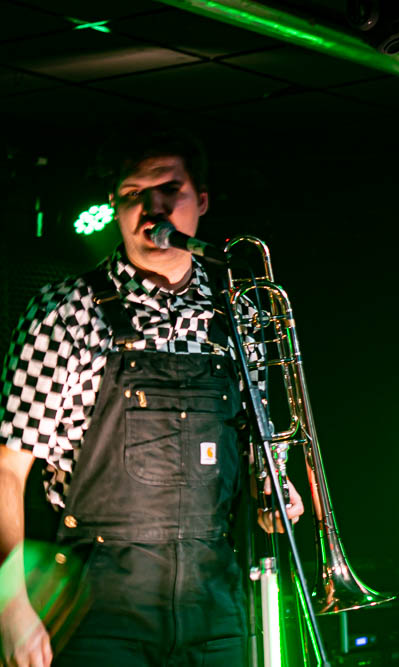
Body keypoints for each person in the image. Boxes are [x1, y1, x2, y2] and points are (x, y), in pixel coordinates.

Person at [0, 126, 303, 667]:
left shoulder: (238, 314)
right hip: (99, 606)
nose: (151, 209)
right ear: (115, 205)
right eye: (133, 194)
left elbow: (257, 442)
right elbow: (7, 469)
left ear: (201, 201)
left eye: (168, 190)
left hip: (213, 601)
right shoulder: (65, 310)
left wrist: (273, 491)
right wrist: (11, 603)